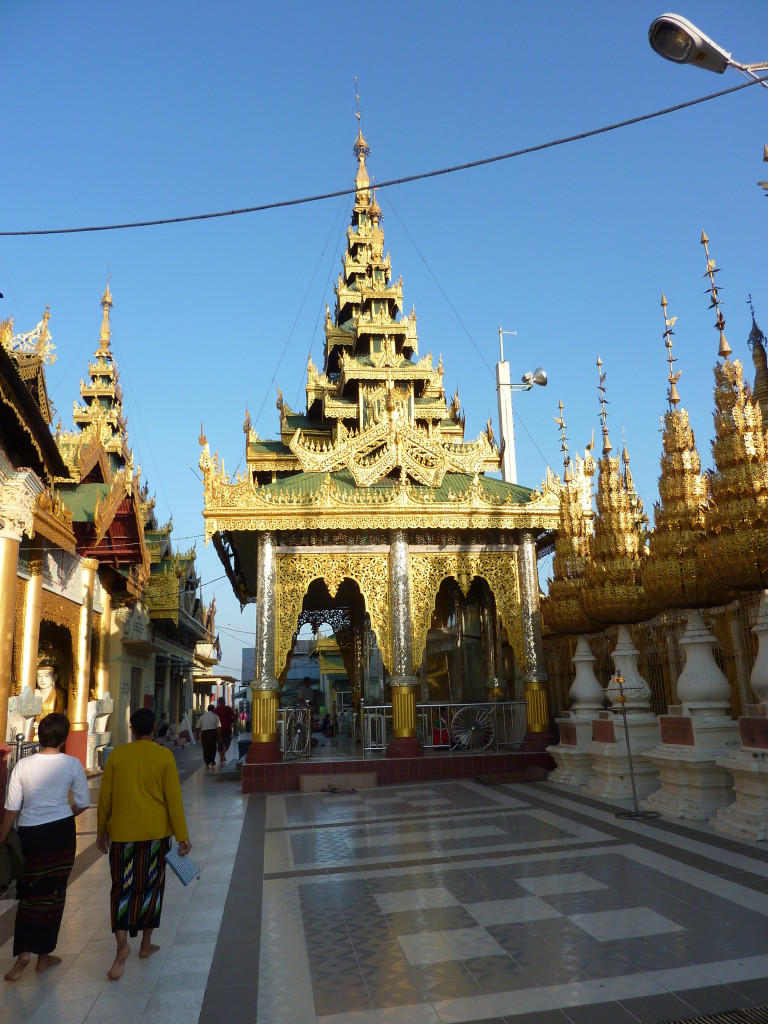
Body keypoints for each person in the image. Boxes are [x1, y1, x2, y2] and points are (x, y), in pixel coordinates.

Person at [96, 707, 191, 981]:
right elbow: (173, 799)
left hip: (122, 835)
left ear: (132, 728)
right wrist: (182, 836)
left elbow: (105, 798)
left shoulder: (117, 756)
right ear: (153, 730)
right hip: (155, 835)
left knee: (121, 888)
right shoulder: (164, 756)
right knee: (152, 887)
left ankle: (122, 944)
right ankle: (146, 945)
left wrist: (101, 830)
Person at [0, 712, 90, 982]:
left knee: (29, 893)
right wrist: (65, 814)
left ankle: (23, 954)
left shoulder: (23, 766)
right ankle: (44, 956)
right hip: (61, 834)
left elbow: (11, 809)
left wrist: (2, 839)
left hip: (31, 835)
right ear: (63, 738)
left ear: (40, 737)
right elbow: (83, 802)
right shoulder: (72, 764)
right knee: (54, 893)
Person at [198, 703, 220, 771]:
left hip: (204, 734)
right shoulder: (216, 716)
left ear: (207, 709)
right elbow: (218, 727)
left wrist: (197, 735)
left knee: (205, 749)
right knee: (213, 748)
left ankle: (207, 764)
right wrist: (220, 736)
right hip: (213, 733)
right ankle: (212, 761)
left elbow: (198, 727)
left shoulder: (202, 716)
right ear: (213, 710)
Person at [213, 696, 235, 765]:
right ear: (224, 702)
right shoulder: (228, 709)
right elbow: (232, 718)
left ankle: (221, 758)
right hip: (227, 728)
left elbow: (214, 720)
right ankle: (223, 753)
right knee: (227, 742)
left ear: (219, 702)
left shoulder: (216, 710)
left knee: (220, 743)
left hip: (218, 729)